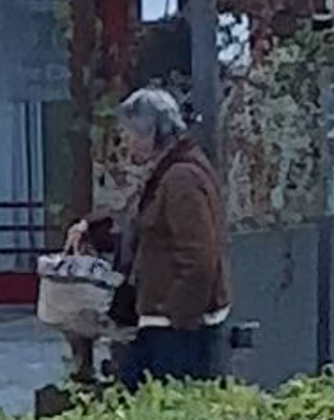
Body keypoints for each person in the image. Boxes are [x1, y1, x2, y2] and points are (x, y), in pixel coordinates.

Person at [86, 85, 231, 386]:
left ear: (150, 133)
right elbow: (145, 231)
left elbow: (199, 259)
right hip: (163, 323)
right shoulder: (168, 173)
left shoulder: (181, 178)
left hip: (175, 330)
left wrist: (176, 317)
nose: (126, 144)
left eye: (130, 134)